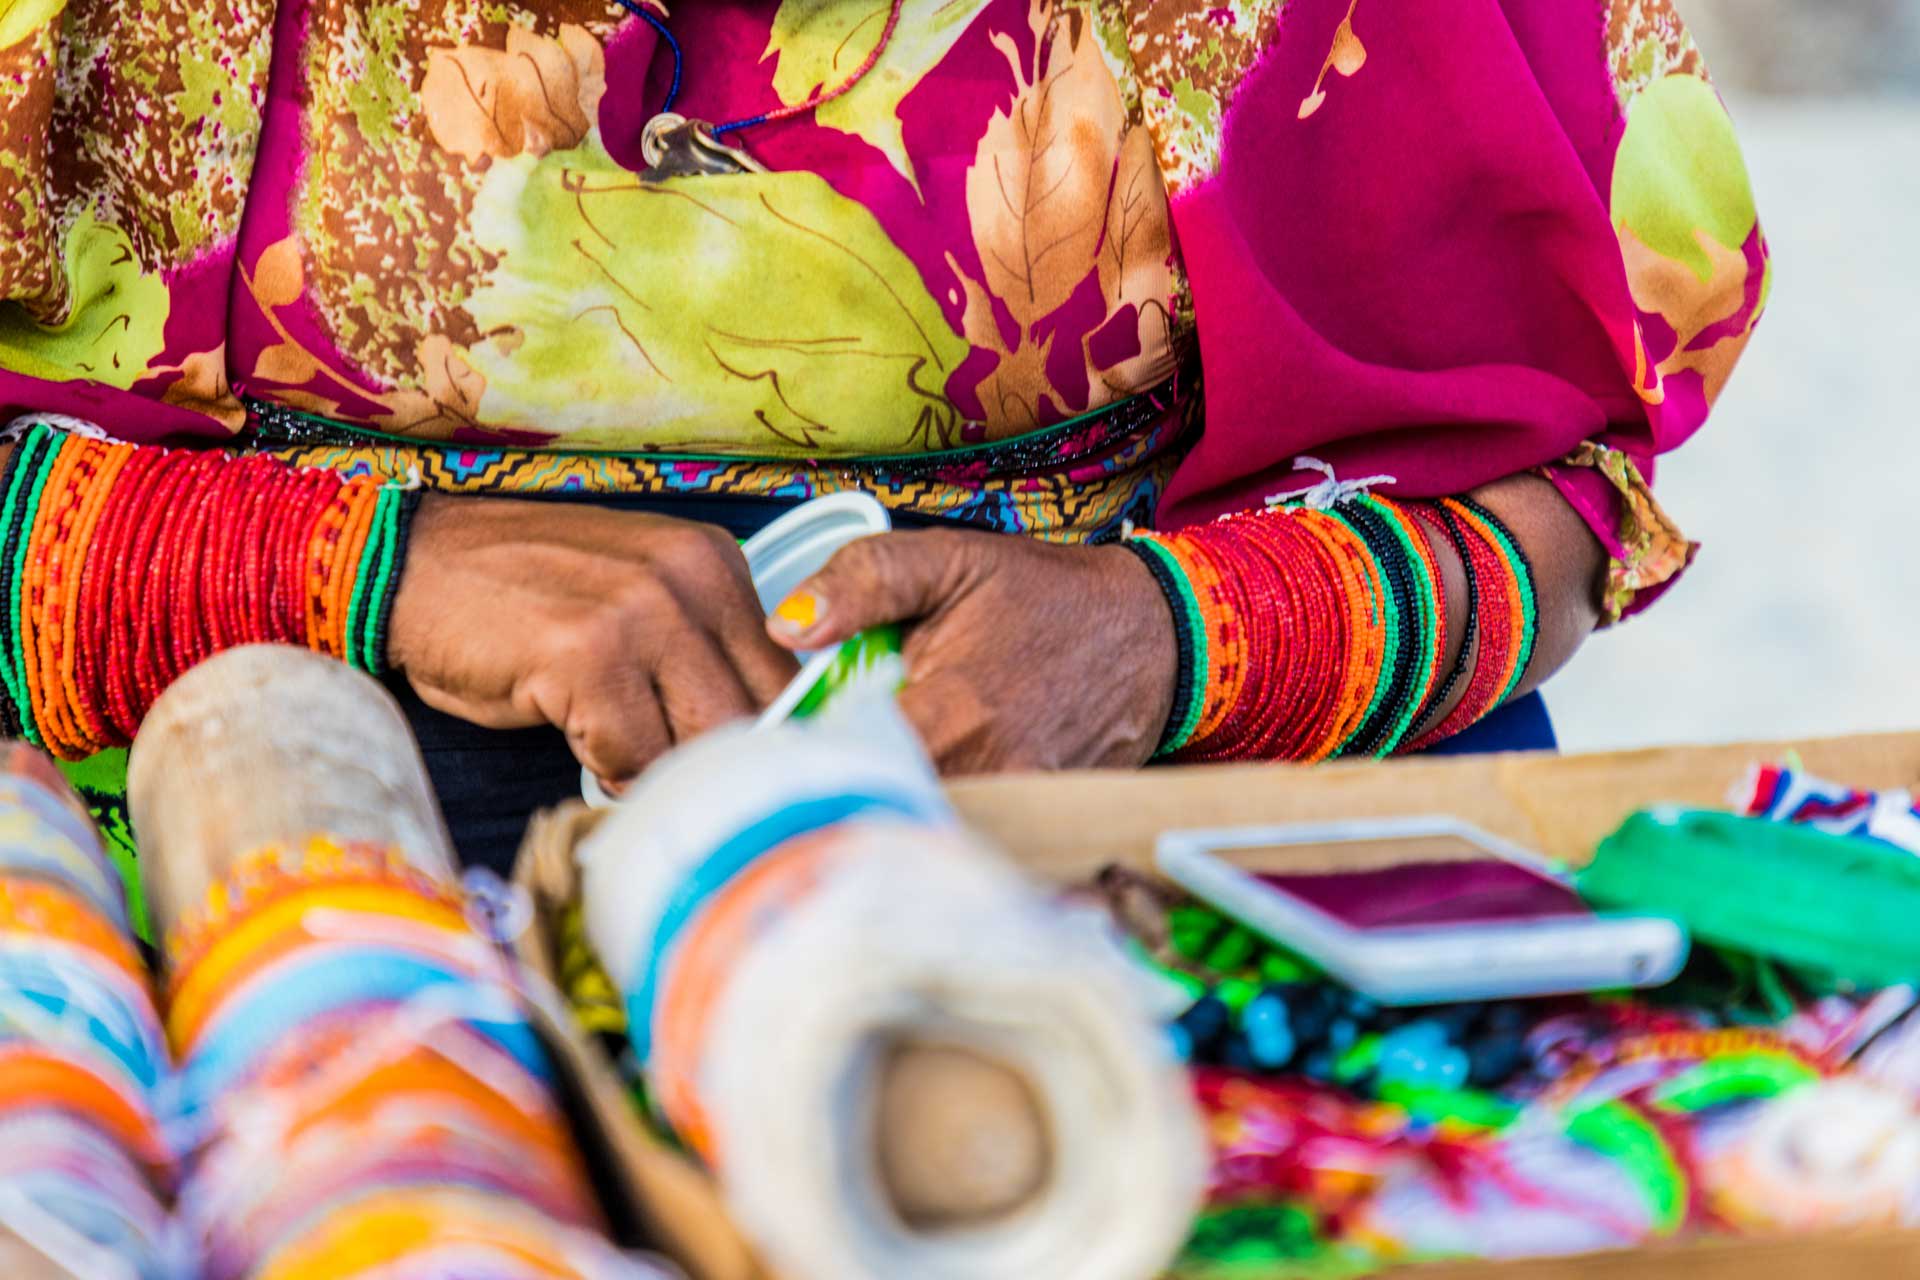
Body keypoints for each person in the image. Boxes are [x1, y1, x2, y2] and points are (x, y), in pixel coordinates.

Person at [0, 0, 1763, 873]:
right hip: (222, 848)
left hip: (1050, 859)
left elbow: (1550, 500)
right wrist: (357, 571)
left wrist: (1164, 641)